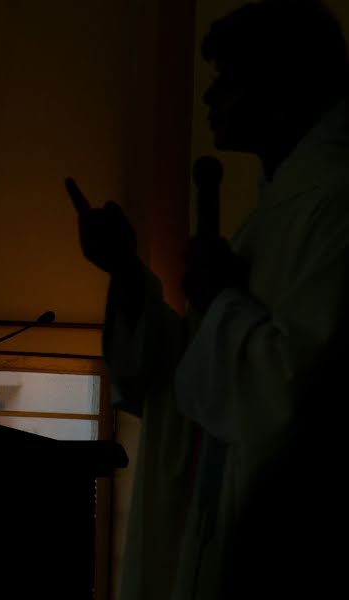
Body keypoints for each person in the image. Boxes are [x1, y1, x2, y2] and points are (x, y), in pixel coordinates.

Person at [65, 1, 349, 598]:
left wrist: (221, 300)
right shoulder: (272, 214)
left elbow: (292, 395)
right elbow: (190, 377)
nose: (209, 97)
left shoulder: (335, 206)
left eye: (226, 80)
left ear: (281, 84)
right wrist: (125, 272)